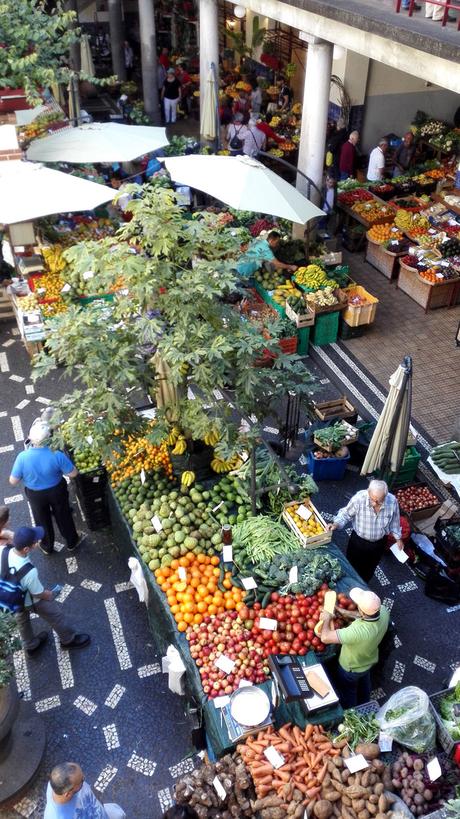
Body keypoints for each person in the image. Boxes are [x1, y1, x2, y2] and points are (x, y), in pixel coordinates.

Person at [4, 526, 90, 655]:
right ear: (27, 549)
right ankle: (68, 640)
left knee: (22, 620)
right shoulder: (29, 571)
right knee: (55, 615)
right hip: (29, 599)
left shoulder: (3, 551)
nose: (38, 542)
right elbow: (37, 593)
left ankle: (30, 646)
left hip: (10, 598)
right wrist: (48, 594)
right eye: (35, 541)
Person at [9, 421, 84, 555]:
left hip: (35, 494)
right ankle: (72, 541)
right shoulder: (57, 455)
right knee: (63, 515)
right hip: (56, 491)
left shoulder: (22, 457)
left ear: (30, 438)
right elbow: (73, 473)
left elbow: (13, 481)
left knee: (41, 519)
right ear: (49, 438)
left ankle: (47, 545)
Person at [319, 588, 390, 708]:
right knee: (364, 686)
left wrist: (326, 618)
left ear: (362, 611)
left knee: (348, 691)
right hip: (368, 661)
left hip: (351, 668)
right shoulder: (383, 611)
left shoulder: (358, 632)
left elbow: (325, 637)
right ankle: (365, 704)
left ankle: (352, 711)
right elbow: (365, 616)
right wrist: (344, 612)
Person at [328, 479, 404, 582]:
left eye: (379, 501)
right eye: (372, 499)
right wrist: (336, 524)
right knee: (351, 566)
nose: (374, 503)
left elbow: (395, 521)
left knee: (370, 568)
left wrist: (398, 538)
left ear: (385, 496)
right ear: (368, 492)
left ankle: (364, 585)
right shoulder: (359, 499)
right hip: (358, 542)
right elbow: (345, 514)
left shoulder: (392, 501)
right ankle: (349, 584)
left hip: (378, 544)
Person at [44, 762, 125, 818]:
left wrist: (100, 804)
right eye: (81, 781)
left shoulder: (56, 781)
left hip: (104, 813)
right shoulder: (55, 816)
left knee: (120, 814)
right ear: (68, 794)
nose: (84, 780)